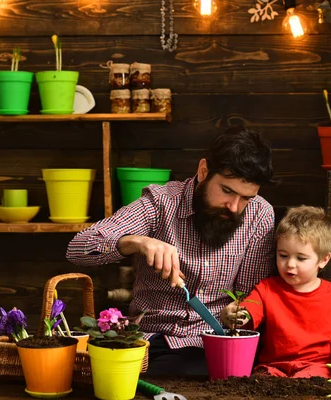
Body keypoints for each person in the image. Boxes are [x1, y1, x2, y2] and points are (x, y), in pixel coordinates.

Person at [66, 126, 277, 375]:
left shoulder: (259, 215)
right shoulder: (161, 202)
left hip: (214, 343)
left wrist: (239, 314)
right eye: (227, 191)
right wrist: (137, 242)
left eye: (246, 198)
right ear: (203, 171)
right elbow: (78, 247)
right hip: (150, 340)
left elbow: (252, 296)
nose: (234, 207)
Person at [221, 205, 331, 379]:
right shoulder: (267, 288)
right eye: (283, 255)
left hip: (317, 366)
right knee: (261, 377)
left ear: (323, 259)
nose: (290, 264)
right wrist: (235, 315)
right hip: (275, 366)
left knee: (316, 378)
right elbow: (248, 312)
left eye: (301, 258)